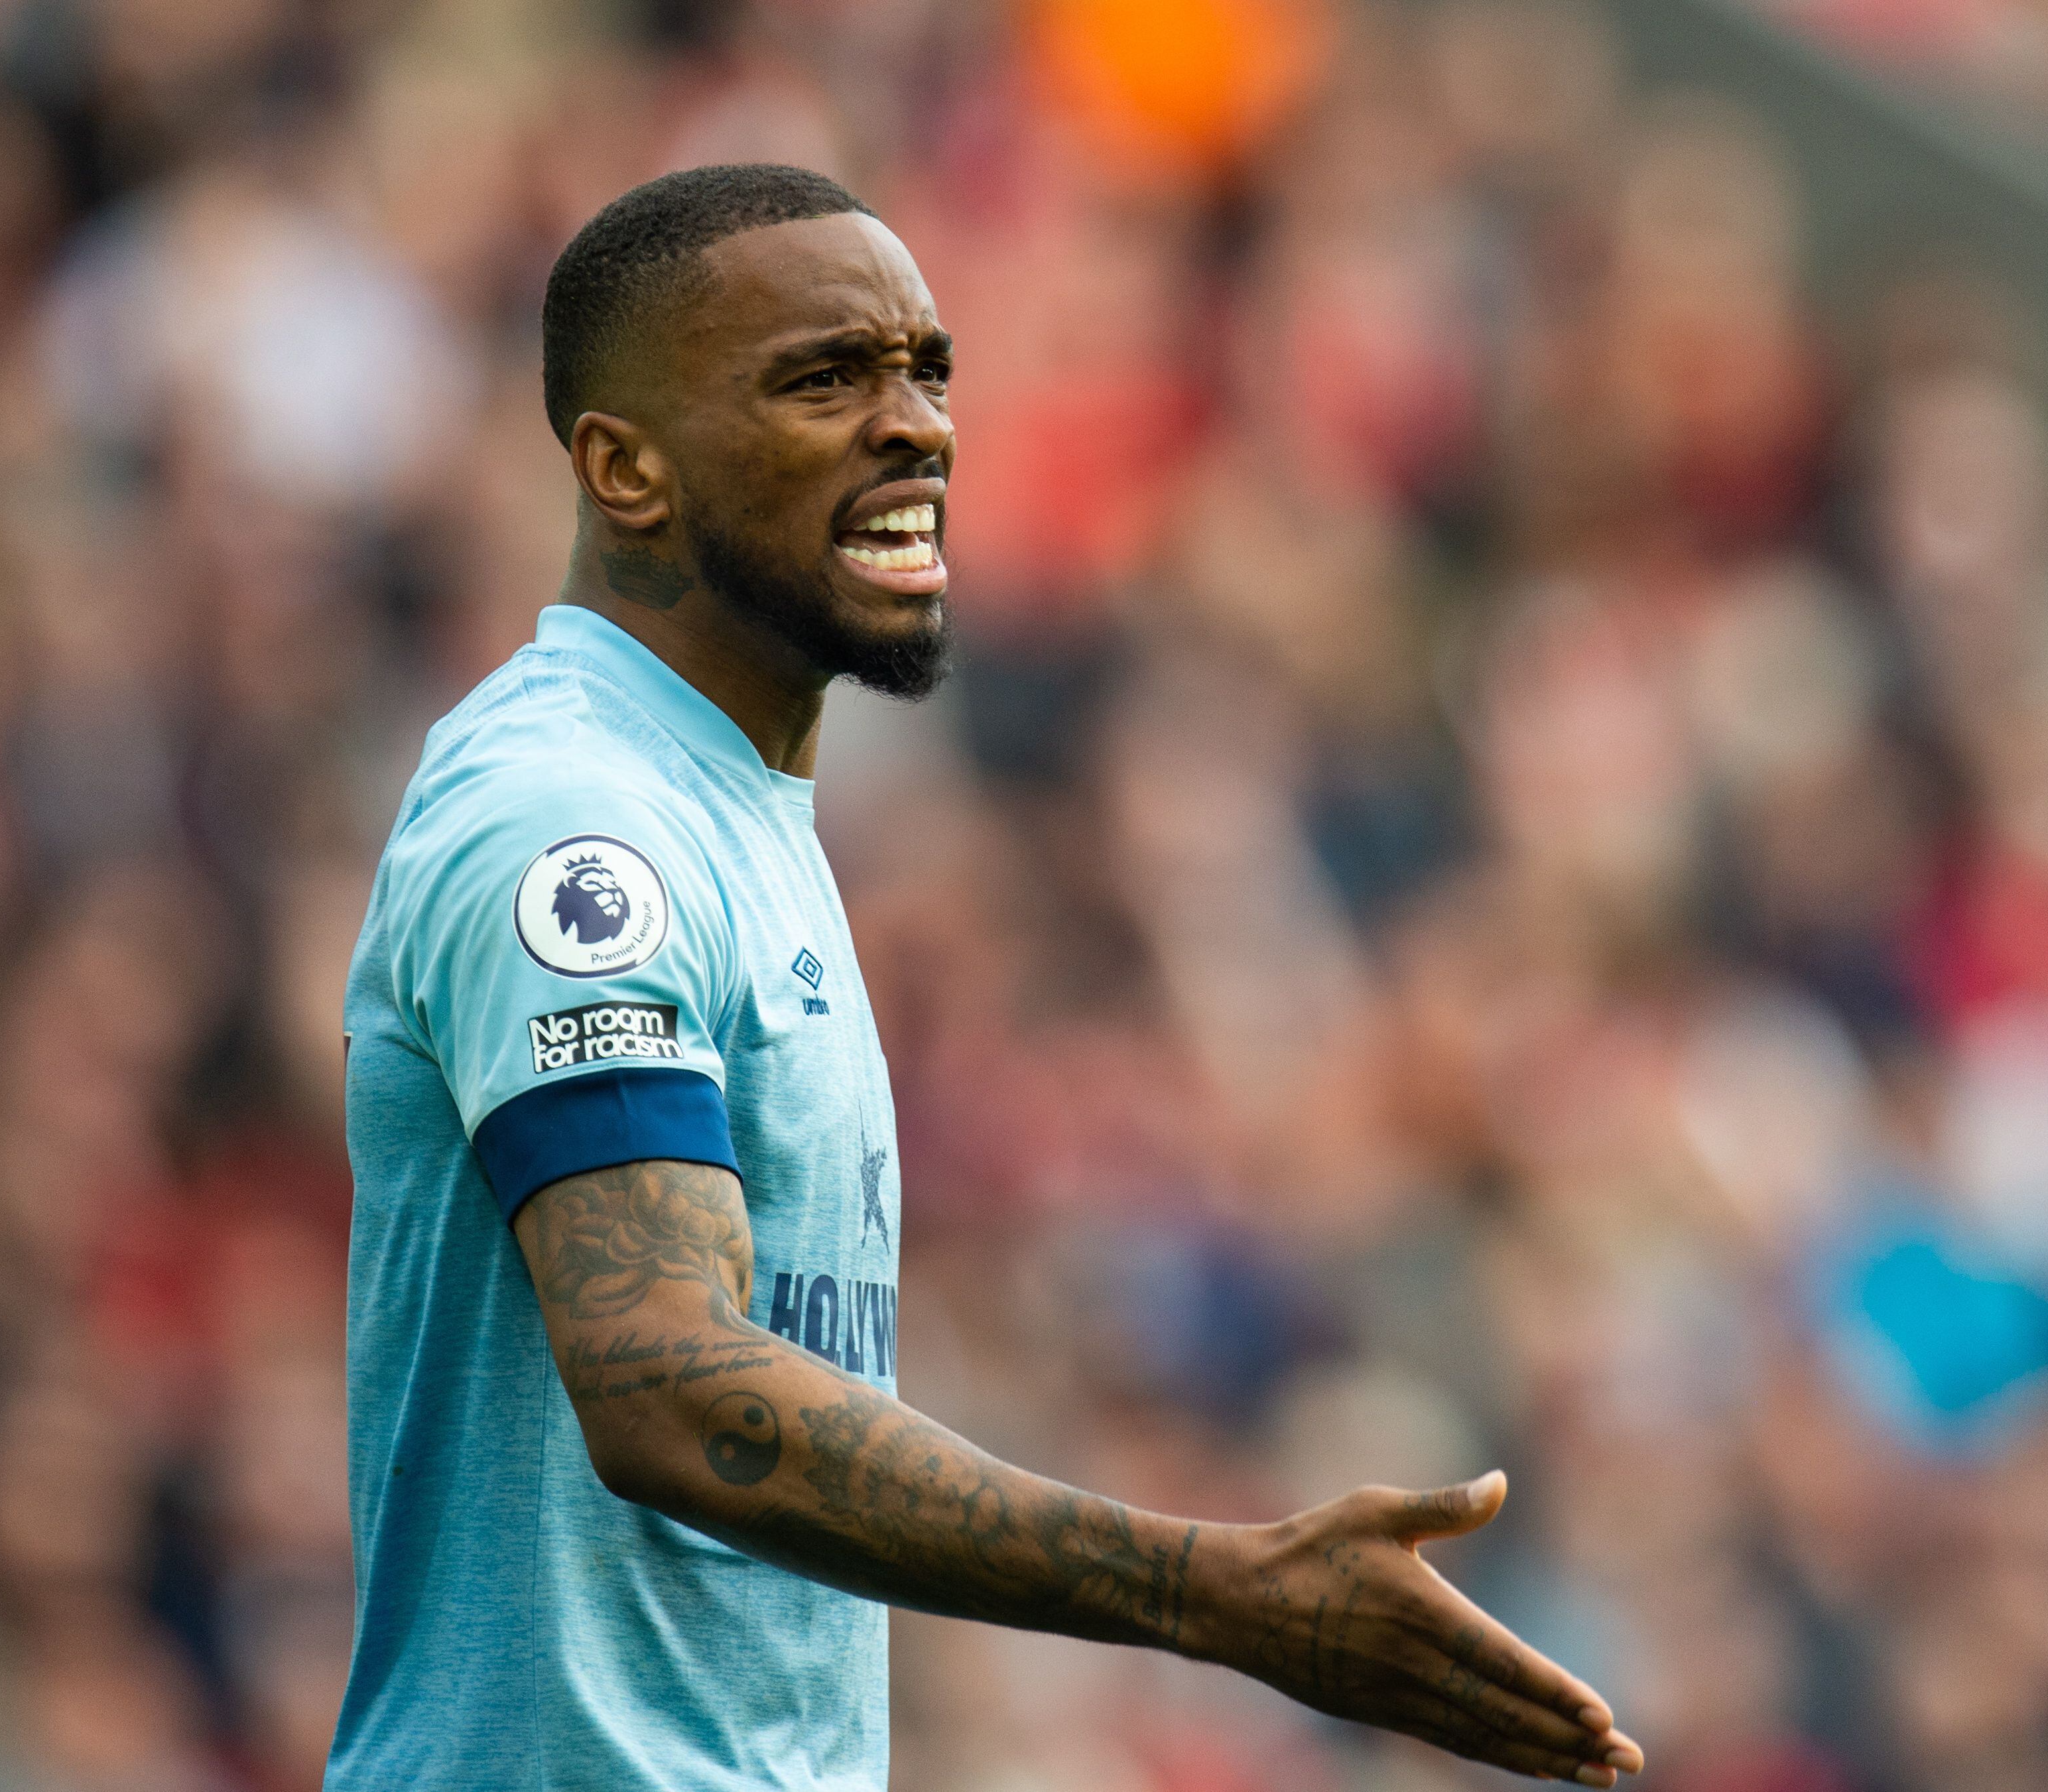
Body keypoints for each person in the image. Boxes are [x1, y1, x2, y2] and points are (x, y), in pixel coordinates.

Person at [327, 163, 1646, 1792]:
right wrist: (1203, 1590)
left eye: (926, 369)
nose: (917, 428)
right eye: (826, 380)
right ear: (626, 469)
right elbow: (664, 1382)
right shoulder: (576, 819)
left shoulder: (733, 809)